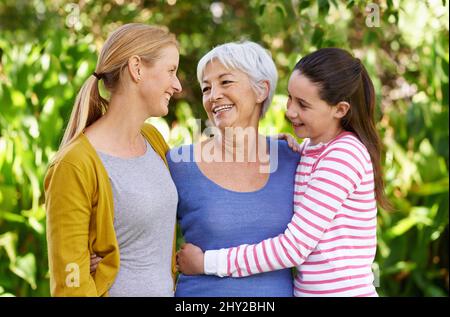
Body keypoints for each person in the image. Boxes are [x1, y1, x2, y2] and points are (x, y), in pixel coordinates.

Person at [177, 47, 391, 297]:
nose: (290, 111)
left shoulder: (344, 154)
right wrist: (278, 147)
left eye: (303, 104)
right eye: (290, 98)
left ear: (340, 110)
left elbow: (294, 247)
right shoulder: (312, 149)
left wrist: (207, 263)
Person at [44, 23, 182, 296]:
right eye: (171, 71)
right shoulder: (74, 165)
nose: (177, 85)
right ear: (137, 68)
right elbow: (70, 283)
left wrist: (273, 147)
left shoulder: (153, 140)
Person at [166, 41, 301, 297]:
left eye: (225, 82)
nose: (214, 95)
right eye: (207, 88)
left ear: (261, 90)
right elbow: (139, 228)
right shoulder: (179, 163)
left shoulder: (293, 160)